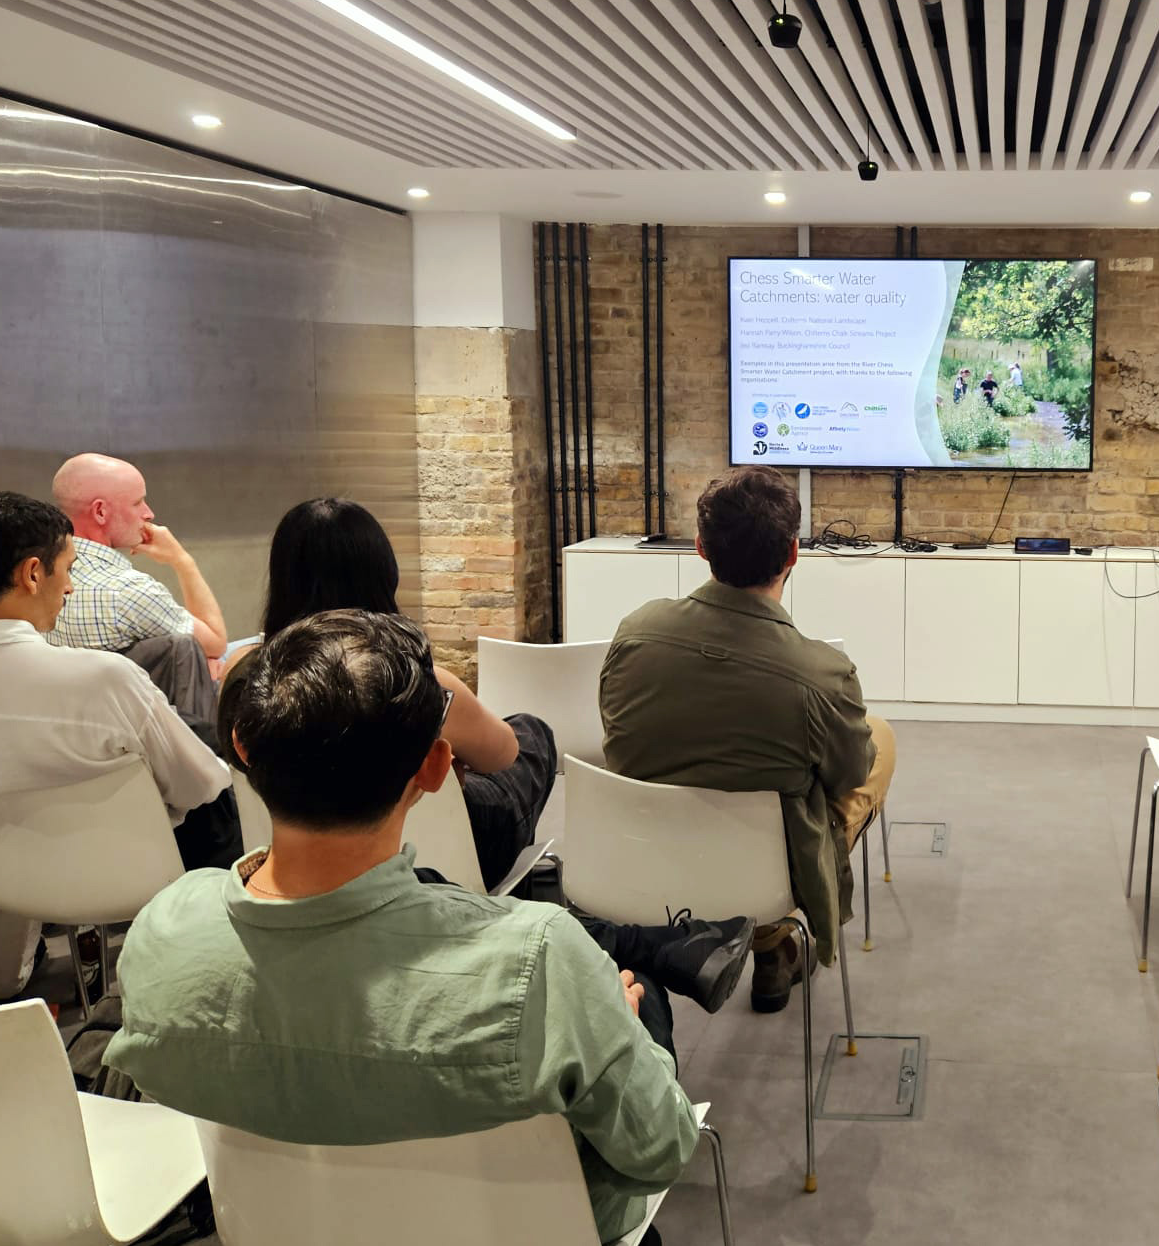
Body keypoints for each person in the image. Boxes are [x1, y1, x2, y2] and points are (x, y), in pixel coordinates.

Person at [105, 611, 736, 1243]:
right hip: (532, 1229)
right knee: (638, 1001)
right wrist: (619, 1026)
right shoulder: (539, 964)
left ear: (241, 746)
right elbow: (660, 1150)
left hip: (280, 1227)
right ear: (435, 769)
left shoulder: (164, 930)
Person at [601, 467, 896, 1010]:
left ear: (699, 548)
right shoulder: (821, 674)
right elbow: (850, 774)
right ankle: (774, 935)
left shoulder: (635, 632)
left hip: (641, 856)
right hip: (767, 874)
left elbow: (619, 742)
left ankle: (768, 940)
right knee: (877, 741)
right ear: (793, 553)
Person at [0, 492, 235, 1001]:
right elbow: (199, 784)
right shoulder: (104, 679)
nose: (71, 586)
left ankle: (4, 979)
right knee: (214, 789)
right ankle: (220, 959)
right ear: (33, 574)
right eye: (66, 569)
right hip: (128, 885)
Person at [218, 498, 555, 893]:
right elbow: (502, 755)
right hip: (443, 861)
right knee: (531, 733)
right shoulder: (424, 686)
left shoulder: (244, 676)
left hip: (293, 862)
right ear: (383, 575)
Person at [47, 453, 227, 662]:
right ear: (100, 512)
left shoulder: (36, 576)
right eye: (137, 502)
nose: (149, 513)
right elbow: (215, 643)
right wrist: (182, 561)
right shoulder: (130, 590)